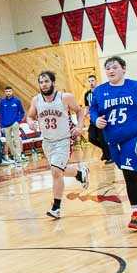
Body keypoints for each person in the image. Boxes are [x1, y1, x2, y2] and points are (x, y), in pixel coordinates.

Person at [90, 56, 137, 230]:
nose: (111, 70)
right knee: (134, 172)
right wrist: (95, 120)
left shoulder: (136, 87)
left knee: (130, 172)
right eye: (107, 68)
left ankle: (136, 213)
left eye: (115, 67)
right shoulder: (100, 91)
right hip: (113, 139)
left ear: (123, 69)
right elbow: (93, 109)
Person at [26, 71, 91, 219]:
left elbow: (80, 111)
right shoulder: (36, 100)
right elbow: (30, 116)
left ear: (53, 83)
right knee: (59, 170)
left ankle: (56, 208)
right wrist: (30, 123)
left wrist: (80, 126)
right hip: (47, 141)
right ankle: (80, 173)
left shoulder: (65, 97)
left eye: (46, 81)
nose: (44, 84)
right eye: (41, 82)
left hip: (64, 139)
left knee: (55, 171)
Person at [84, 74, 112, 164]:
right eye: (89, 81)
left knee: (102, 138)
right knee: (91, 138)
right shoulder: (87, 94)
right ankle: (108, 152)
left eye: (92, 81)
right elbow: (87, 107)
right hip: (93, 119)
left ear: (96, 81)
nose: (91, 83)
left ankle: (108, 156)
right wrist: (84, 115)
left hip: (101, 118)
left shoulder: (101, 91)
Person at [0, 86, 26, 167]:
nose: (8, 92)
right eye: (6, 91)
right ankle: (16, 157)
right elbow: (1, 114)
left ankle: (18, 159)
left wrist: (18, 121)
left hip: (14, 123)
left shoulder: (17, 101)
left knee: (17, 141)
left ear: (12, 92)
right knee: (9, 142)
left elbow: (22, 112)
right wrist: (2, 125)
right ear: (5, 93)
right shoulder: (2, 102)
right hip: (6, 125)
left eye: (9, 91)